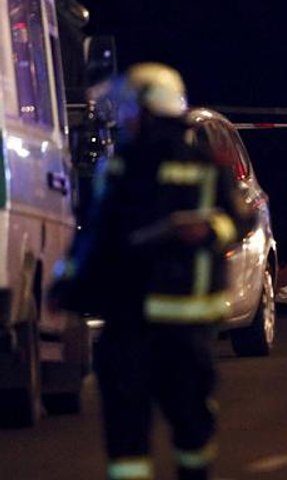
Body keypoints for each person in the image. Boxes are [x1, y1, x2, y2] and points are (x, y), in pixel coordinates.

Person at [51, 64, 251, 480]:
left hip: (160, 322)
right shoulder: (128, 166)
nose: (125, 121)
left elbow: (240, 218)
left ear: (145, 111)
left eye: (129, 112)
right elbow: (100, 235)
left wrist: (205, 229)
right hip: (159, 323)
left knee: (163, 423)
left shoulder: (185, 165)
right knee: (156, 426)